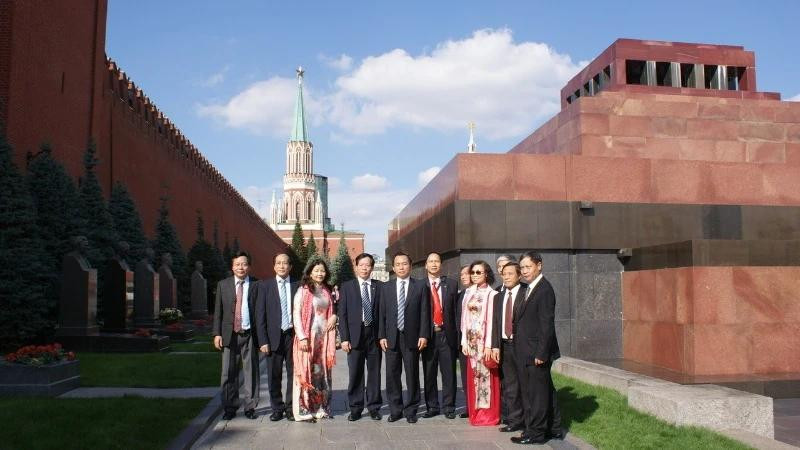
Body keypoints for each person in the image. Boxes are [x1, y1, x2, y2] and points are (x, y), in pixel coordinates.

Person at [511, 252, 563, 445]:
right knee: (544, 391)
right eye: (522, 268)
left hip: (536, 353)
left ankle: (536, 433)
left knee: (536, 395)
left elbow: (546, 324)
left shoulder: (544, 289)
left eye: (528, 267)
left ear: (539, 265)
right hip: (527, 349)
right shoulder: (531, 287)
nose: (524, 271)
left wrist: (541, 353)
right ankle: (554, 428)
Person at [379, 251, 431, 423]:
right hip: (391, 337)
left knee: (412, 374)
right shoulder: (386, 287)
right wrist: (382, 336)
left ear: (410, 266)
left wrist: (424, 334)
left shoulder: (420, 286)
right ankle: (395, 409)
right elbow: (382, 314)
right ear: (393, 267)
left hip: (412, 337)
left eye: (404, 263)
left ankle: (411, 410)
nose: (401, 267)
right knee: (392, 375)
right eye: (398, 264)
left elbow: (425, 312)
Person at [212, 251, 260, 420]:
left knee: (251, 371)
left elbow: (260, 312)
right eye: (237, 264)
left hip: (250, 334)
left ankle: (250, 407)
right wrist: (217, 333)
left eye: (244, 264)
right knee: (228, 373)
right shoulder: (223, 285)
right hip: (229, 334)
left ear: (249, 266)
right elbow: (218, 311)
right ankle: (229, 407)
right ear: (232, 267)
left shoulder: (256, 284)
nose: (241, 267)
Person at [291, 256, 338, 422]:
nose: (320, 273)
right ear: (310, 272)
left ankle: (319, 407)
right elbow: (296, 314)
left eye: (322, 270)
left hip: (323, 340)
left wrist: (334, 317)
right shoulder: (303, 291)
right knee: (304, 372)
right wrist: (302, 337)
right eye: (317, 270)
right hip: (307, 338)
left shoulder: (326, 290)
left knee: (320, 373)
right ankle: (303, 409)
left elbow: (331, 311)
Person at [338, 253, 383, 421]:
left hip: (374, 335)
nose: (365, 268)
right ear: (356, 267)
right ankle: (356, 408)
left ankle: (374, 407)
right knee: (355, 373)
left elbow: (383, 313)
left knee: (374, 373)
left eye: (368, 265)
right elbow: (342, 314)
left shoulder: (379, 286)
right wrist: (344, 338)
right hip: (355, 335)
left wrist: (382, 336)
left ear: (372, 267)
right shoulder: (347, 287)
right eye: (361, 265)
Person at [255, 252, 298, 421]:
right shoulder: (265, 286)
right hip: (272, 337)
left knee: (294, 374)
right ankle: (277, 408)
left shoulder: (298, 285)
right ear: (274, 266)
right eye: (278, 263)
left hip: (292, 336)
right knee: (274, 374)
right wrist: (263, 340)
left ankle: (290, 407)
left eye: (285, 263)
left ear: (290, 267)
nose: (282, 266)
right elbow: (260, 316)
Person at [460, 260, 501, 426]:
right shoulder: (469, 292)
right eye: (473, 272)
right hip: (471, 342)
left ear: (486, 274)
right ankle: (476, 413)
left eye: (478, 272)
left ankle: (489, 415)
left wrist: (489, 345)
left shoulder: (492, 295)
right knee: (474, 377)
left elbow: (492, 322)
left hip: (484, 342)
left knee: (487, 377)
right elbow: (464, 319)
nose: (475, 275)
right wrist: (464, 341)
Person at [421, 252, 459, 419]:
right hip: (428, 336)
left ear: (441, 264)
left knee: (449, 373)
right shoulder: (419, 285)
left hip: (446, 335)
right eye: (431, 261)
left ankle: (449, 407)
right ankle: (432, 407)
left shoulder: (451, 284)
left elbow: (455, 312)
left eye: (437, 261)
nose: (434, 264)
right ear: (426, 265)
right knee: (429, 373)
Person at [491, 262, 527, 433]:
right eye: (504, 274)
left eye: (510, 273)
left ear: (519, 275)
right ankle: (514, 420)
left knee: (526, 384)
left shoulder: (526, 292)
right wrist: (495, 346)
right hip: (505, 346)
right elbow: (495, 323)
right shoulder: (498, 295)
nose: (506, 277)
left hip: (522, 346)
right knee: (510, 385)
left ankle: (530, 419)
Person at [456, 264, 471, 418]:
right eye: (462, 275)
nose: (464, 277)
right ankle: (469, 406)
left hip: (478, 342)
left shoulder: (484, 293)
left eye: (468, 273)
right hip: (462, 342)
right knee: (466, 376)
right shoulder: (461, 294)